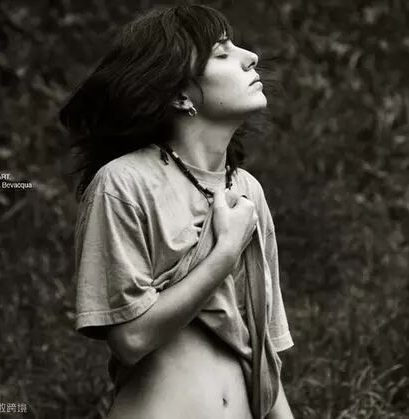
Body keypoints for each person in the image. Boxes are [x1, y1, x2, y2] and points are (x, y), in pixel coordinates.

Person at [59, 4, 295, 419]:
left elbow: (261, 350)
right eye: (222, 54)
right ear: (180, 95)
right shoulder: (124, 183)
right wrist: (224, 254)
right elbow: (131, 339)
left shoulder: (247, 192)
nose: (250, 57)